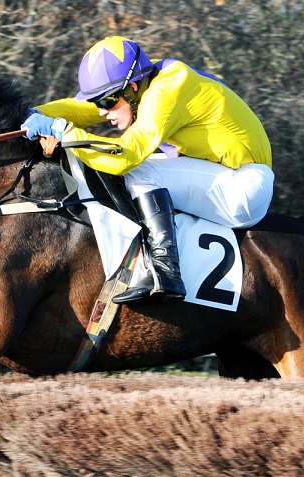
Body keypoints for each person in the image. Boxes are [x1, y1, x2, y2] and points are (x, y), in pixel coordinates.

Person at [22, 36, 273, 304]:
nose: (103, 112)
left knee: (138, 170)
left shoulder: (165, 91)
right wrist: (28, 114)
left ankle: (165, 273)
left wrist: (61, 130)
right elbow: (80, 109)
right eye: (99, 103)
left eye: (107, 102)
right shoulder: (142, 83)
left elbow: (125, 156)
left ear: (132, 87)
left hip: (245, 187)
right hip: (222, 176)